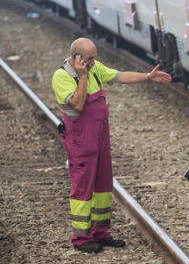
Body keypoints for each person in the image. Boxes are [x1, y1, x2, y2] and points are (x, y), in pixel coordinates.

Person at [51, 38, 171, 253]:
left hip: (100, 136)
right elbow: (78, 105)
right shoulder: (62, 76)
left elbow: (119, 75)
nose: (93, 62)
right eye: (89, 59)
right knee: (83, 187)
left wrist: (147, 77)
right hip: (81, 140)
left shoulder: (94, 68)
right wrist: (83, 76)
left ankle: (100, 232)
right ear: (76, 58)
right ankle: (81, 237)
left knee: (103, 186)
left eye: (93, 58)